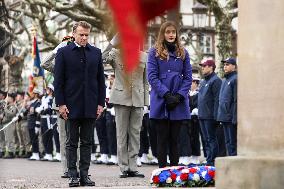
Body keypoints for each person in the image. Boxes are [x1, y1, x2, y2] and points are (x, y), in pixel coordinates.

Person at [54, 21, 105, 187]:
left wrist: (100, 103)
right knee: (71, 142)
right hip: (71, 104)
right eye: (81, 34)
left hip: (90, 104)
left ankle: (84, 175)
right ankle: (73, 175)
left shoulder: (96, 53)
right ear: (74, 33)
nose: (84, 38)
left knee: (87, 141)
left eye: (86, 35)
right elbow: (58, 82)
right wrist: (61, 104)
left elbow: (100, 80)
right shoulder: (63, 52)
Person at [147, 21, 192, 168]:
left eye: (173, 32)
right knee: (162, 138)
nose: (171, 34)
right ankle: (162, 173)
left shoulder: (184, 53)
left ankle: (174, 172)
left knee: (175, 139)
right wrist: (166, 95)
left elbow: (188, 77)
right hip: (161, 99)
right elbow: (152, 76)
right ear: (162, 34)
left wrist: (179, 96)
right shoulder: (153, 52)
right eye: (168, 32)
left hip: (178, 101)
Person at [103, 34, 149, 178]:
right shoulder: (116, 54)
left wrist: (146, 102)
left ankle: (133, 166)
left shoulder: (144, 56)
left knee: (135, 134)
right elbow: (101, 58)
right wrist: (113, 42)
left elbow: (145, 81)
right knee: (121, 134)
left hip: (138, 99)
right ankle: (123, 167)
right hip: (121, 98)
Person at [198, 59, 222, 166]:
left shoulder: (216, 80)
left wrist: (217, 116)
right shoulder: (203, 81)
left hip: (210, 116)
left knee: (211, 139)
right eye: (202, 66)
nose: (202, 67)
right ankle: (208, 159)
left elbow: (218, 99)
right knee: (205, 140)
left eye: (205, 66)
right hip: (202, 115)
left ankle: (212, 161)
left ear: (211, 67)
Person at [217, 58, 238, 156]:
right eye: (224, 65)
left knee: (232, 143)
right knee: (228, 142)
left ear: (234, 66)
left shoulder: (235, 79)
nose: (225, 66)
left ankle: (235, 163)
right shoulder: (225, 79)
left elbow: (236, 100)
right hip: (224, 116)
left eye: (227, 64)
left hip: (230, 117)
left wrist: (234, 117)